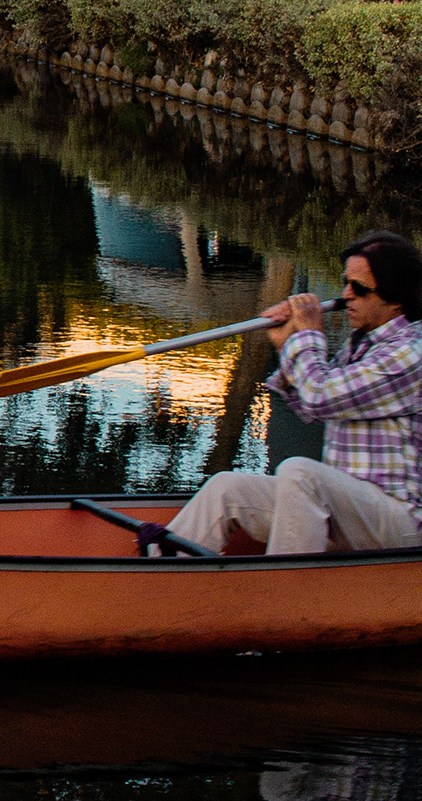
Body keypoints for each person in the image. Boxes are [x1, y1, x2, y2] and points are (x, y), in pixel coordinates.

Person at [167, 231, 422, 557]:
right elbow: (311, 408)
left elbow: (320, 396)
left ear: (396, 297)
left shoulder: (410, 353)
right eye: (346, 283)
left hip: (397, 521)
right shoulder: (363, 343)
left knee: (299, 472)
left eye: (359, 289)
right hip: (348, 512)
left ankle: (285, 591)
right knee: (226, 487)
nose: (345, 296)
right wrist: (287, 340)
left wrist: (307, 337)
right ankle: (163, 570)